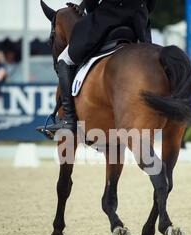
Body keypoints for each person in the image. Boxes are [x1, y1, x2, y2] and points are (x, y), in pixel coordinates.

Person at [44, 0, 156, 134]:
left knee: (64, 59)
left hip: (108, 17)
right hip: (138, 22)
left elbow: (91, 4)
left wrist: (90, 10)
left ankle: (69, 119)